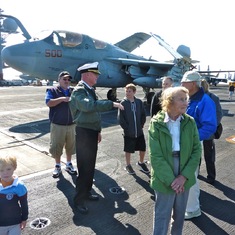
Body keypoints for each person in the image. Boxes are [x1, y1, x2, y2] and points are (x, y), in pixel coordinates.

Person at [69, 62, 124, 214]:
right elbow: (89, 107)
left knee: (90, 166)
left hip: (91, 131)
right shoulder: (79, 91)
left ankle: (86, 192)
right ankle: (79, 200)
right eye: (95, 74)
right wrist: (111, 104)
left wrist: (98, 130)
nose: (98, 76)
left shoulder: (89, 89)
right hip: (84, 133)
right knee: (84, 167)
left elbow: (93, 114)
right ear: (87, 75)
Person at [149, 87, 201, 235]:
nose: (186, 103)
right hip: (164, 172)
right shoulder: (156, 123)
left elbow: (196, 150)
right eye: (181, 99)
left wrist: (184, 176)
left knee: (179, 216)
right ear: (169, 102)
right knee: (162, 215)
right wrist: (172, 180)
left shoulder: (190, 122)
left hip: (185, 169)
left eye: (186, 99)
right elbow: (156, 156)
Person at [181, 71, 217, 220]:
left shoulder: (205, 100)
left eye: (185, 82)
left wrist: (193, 139)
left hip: (192, 144)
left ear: (194, 84)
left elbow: (210, 126)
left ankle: (193, 209)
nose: (182, 84)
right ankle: (187, 205)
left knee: (191, 176)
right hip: (182, 143)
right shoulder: (188, 97)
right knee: (185, 174)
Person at [45, 71, 77, 178]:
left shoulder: (73, 91)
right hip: (58, 125)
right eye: (64, 79)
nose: (67, 81)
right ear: (59, 80)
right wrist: (62, 99)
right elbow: (49, 102)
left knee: (70, 146)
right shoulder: (52, 90)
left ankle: (68, 164)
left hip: (71, 125)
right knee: (56, 146)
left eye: (68, 80)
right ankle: (57, 166)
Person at [118, 83, 150, 175]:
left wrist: (142, 124)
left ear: (134, 92)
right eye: (126, 91)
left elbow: (143, 114)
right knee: (128, 149)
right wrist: (126, 128)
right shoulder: (123, 103)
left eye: (129, 91)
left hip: (139, 131)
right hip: (129, 132)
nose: (127, 93)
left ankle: (141, 162)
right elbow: (121, 118)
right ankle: (128, 165)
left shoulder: (139, 102)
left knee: (142, 148)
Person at [201, 79, 223, 184]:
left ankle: (211, 176)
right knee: (195, 154)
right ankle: (195, 173)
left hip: (208, 132)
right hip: (196, 130)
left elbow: (219, 114)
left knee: (209, 155)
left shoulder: (213, 98)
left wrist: (212, 127)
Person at [0, 156, 29, 234]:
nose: (5, 173)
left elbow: (24, 204)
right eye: (1, 170)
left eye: (8, 169)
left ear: (14, 167)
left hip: (15, 223)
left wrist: (24, 219)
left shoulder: (19, 186)